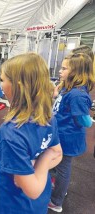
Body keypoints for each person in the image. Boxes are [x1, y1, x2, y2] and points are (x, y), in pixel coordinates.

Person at [0, 53, 63, 214]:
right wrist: (42, 162)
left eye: (3, 79)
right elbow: (57, 152)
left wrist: (42, 160)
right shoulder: (49, 117)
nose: (1, 85)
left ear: (17, 86)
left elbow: (33, 190)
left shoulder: (11, 133)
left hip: (12, 206)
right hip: (38, 203)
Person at [49, 53, 95, 212]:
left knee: (62, 168)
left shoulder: (77, 95)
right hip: (60, 135)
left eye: (64, 68)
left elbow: (83, 121)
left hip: (67, 139)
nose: (60, 71)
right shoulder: (69, 88)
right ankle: (60, 187)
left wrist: (89, 120)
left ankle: (56, 201)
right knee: (57, 165)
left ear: (76, 72)